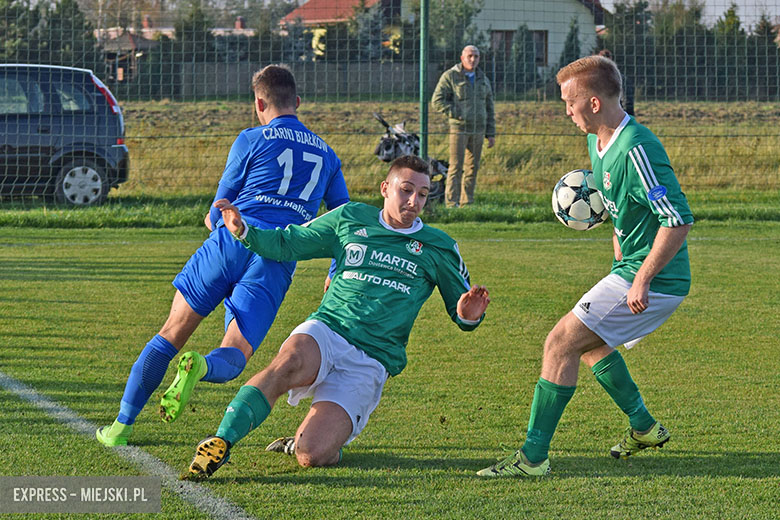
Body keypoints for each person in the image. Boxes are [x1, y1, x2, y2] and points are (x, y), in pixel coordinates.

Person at [185, 155, 490, 478]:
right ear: (385, 189)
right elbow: (290, 242)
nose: (414, 201)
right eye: (406, 190)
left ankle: (309, 442)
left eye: (423, 194)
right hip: (328, 329)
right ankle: (221, 441)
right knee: (287, 362)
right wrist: (245, 231)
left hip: (372, 358)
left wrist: (467, 314)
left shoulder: (438, 247)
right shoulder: (350, 218)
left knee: (312, 454)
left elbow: (463, 310)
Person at [96, 65, 350, 447]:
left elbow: (218, 209)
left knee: (170, 334)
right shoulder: (328, 155)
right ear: (297, 103)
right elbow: (341, 220)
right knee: (235, 353)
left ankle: (121, 426)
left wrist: (217, 227)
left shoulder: (251, 138)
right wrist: (335, 267)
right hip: (277, 256)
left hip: (232, 239)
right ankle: (201, 367)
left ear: (259, 103)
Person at [477, 55, 693, 477]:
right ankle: (645, 426)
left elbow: (677, 219)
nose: (566, 112)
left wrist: (642, 281)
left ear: (593, 103)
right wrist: (617, 233)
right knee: (592, 346)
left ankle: (533, 458)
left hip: (656, 278)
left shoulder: (636, 149)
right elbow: (627, 205)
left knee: (559, 343)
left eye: (569, 102)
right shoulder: (598, 143)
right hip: (630, 265)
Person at [431, 45, 496, 208]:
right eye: (469, 56)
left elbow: (490, 107)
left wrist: (491, 133)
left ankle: (467, 203)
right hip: (459, 129)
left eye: (476, 56)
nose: (473, 60)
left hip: (479, 129)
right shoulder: (451, 76)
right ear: (462, 58)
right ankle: (452, 203)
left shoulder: (483, 79)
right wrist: (456, 113)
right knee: (456, 166)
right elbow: (437, 101)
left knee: (473, 167)